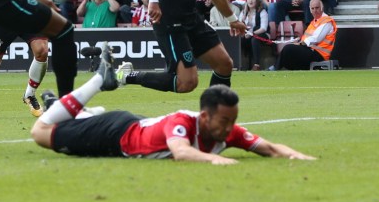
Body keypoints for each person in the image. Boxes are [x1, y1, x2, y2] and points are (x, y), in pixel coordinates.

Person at [31, 51, 313, 164]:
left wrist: (303, 158)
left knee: (60, 124)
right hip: (113, 134)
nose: (229, 129)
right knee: (40, 132)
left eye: (232, 122)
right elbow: (181, 152)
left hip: (130, 128)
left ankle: (69, 109)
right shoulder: (183, 122)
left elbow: (272, 149)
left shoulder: (226, 131)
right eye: (224, 121)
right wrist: (220, 160)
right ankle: (97, 81)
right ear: (205, 116)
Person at [273, 0, 337, 71]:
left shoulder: (326, 21)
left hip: (319, 54)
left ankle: (275, 68)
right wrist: (298, 42)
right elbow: (306, 37)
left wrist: (300, 44)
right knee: (288, 49)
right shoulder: (314, 22)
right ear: (310, 10)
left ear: (322, 8)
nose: (315, 11)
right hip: (311, 50)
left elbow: (316, 39)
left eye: (317, 8)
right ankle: (276, 67)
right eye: (312, 8)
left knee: (288, 49)